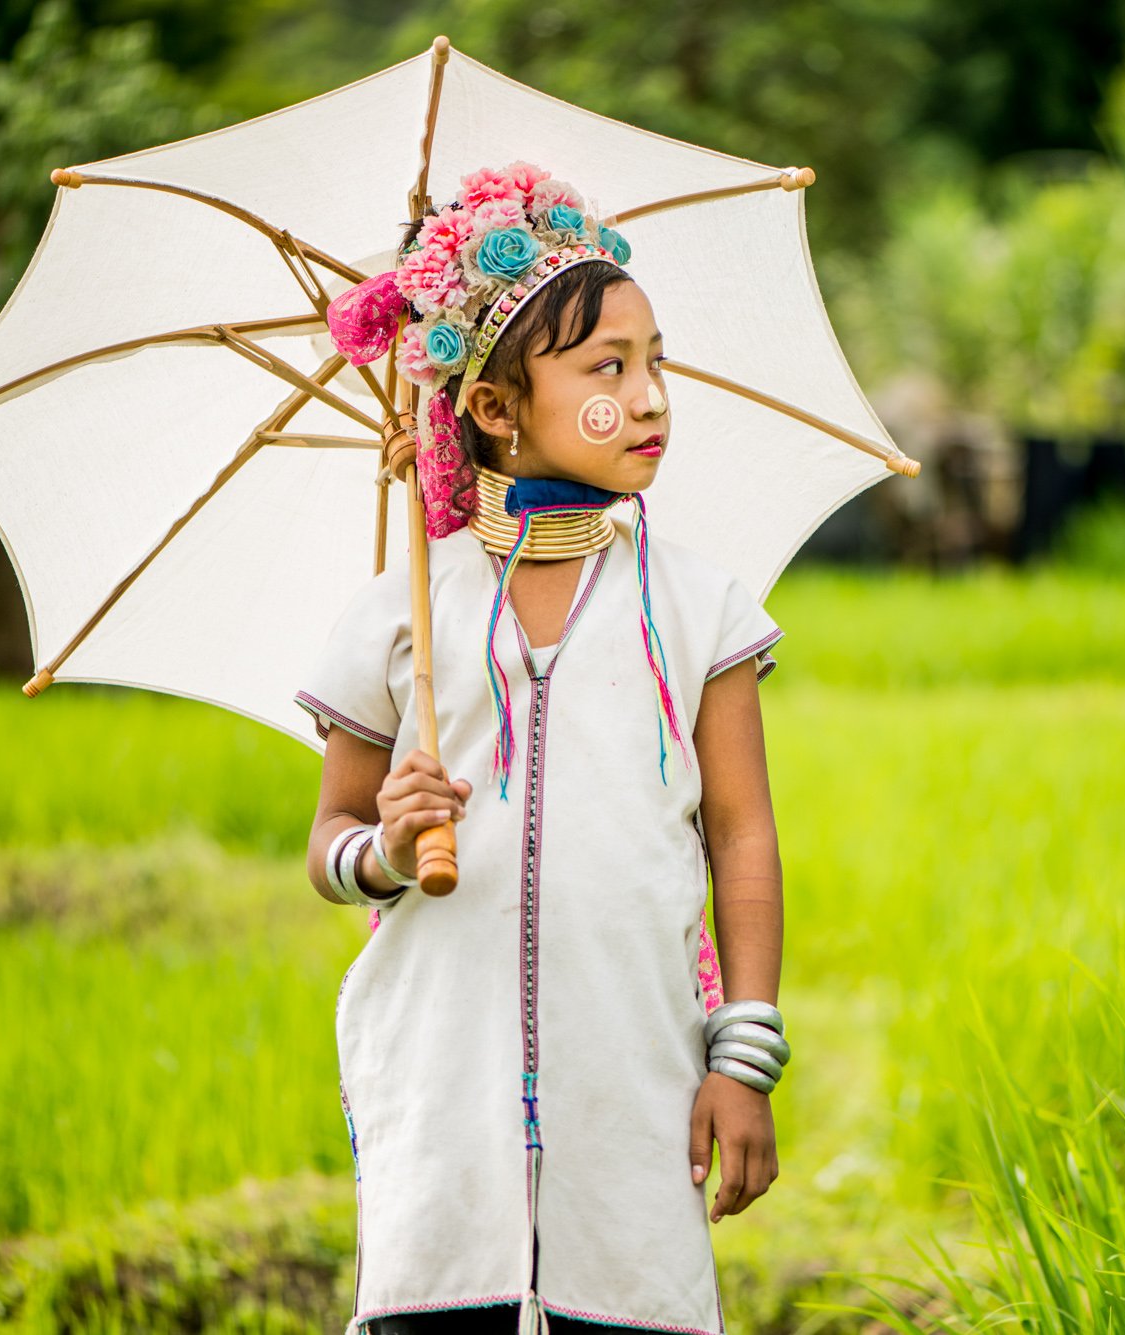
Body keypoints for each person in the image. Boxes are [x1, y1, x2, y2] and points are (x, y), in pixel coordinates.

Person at [293, 162, 792, 1335]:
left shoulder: (697, 606)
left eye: (657, 359)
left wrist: (745, 1054)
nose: (653, 396)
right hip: (441, 1088)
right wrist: (383, 846)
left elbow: (741, 831)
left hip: (636, 1075)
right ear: (493, 409)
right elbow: (325, 844)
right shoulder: (401, 611)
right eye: (608, 369)